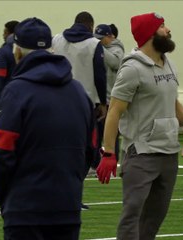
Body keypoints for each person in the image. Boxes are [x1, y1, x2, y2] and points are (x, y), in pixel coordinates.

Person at [96, 13, 183, 240]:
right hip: (141, 153)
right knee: (132, 214)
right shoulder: (132, 69)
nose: (168, 30)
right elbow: (114, 111)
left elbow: (171, 101)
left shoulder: (168, 63)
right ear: (149, 34)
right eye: (162, 27)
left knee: (154, 218)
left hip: (169, 153)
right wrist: (109, 152)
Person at [0, 17, 95, 240]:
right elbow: (89, 149)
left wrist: (4, 197)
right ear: (51, 48)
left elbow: (1, 153)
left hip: (25, 208)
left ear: (17, 51)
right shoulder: (78, 92)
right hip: (67, 207)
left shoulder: (15, 92)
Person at [52, 11, 107, 171]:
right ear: (91, 26)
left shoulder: (56, 39)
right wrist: (102, 102)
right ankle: (90, 164)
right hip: (84, 100)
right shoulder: (94, 44)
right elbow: (100, 75)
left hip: (58, 97)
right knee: (86, 135)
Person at [95, 23, 125, 160]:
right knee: (97, 134)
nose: (98, 40)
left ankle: (114, 161)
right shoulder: (101, 47)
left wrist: (97, 47)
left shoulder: (117, 49)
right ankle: (95, 164)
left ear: (111, 37)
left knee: (111, 134)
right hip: (99, 98)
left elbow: (115, 63)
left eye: (101, 38)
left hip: (112, 100)